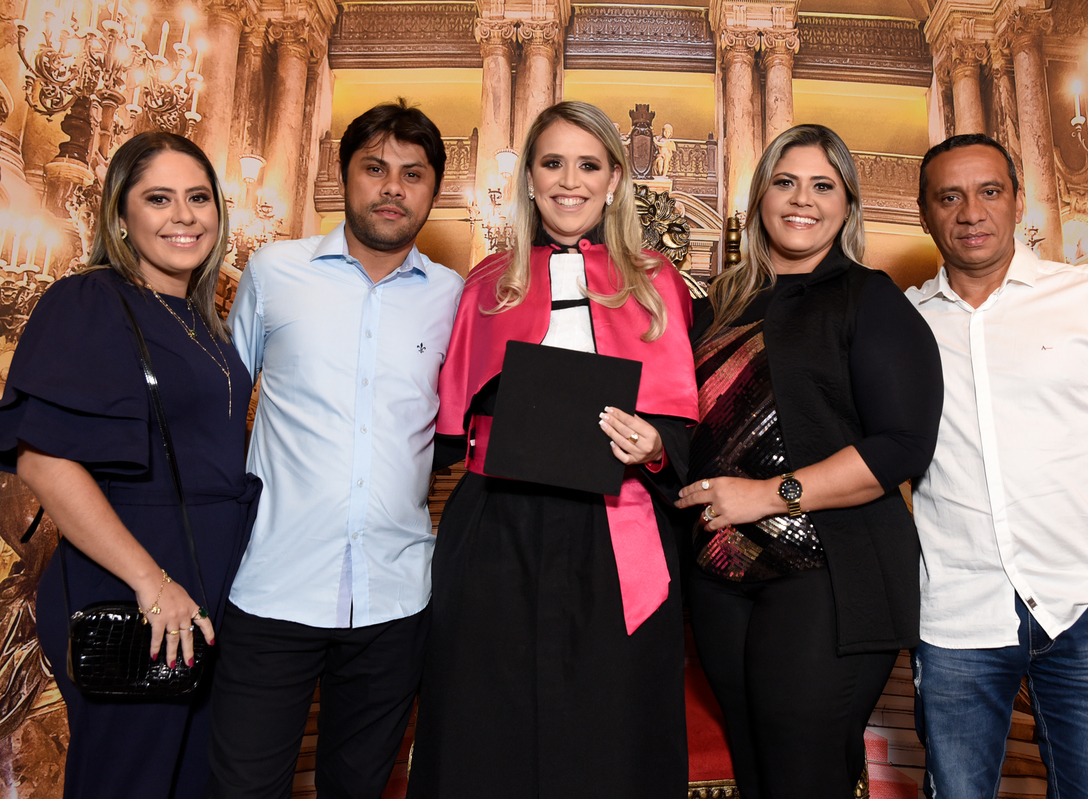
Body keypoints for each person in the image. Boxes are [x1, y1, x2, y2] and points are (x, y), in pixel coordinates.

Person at [406, 100, 699, 799]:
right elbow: (447, 430)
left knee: (608, 729)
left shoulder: (656, 282)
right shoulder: (486, 283)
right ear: (531, 179)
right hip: (498, 530)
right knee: (487, 724)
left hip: (614, 532)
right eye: (553, 163)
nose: (571, 181)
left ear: (614, 180)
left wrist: (655, 443)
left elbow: (683, 429)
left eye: (588, 165)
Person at [906, 133, 1088, 798]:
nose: (971, 212)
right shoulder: (903, 323)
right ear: (925, 213)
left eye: (989, 192)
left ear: (1018, 201)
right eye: (949, 197)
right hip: (957, 615)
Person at [674, 124, 944, 798]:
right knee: (756, 771)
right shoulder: (713, 309)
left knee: (804, 774)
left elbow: (902, 444)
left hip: (830, 575)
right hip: (719, 577)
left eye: (823, 185)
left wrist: (769, 495)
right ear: (760, 198)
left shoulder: (868, 298)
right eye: (785, 182)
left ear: (847, 204)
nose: (803, 199)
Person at [206, 99, 463, 798]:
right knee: (241, 788)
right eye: (374, 168)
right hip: (272, 586)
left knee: (360, 788)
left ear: (434, 191)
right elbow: (221, 407)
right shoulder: (274, 271)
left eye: (413, 174)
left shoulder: (453, 297)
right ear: (343, 175)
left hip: (394, 598)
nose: (392, 188)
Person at [0, 132, 260, 798]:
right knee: (131, 782)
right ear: (120, 215)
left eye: (199, 198)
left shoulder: (201, 320)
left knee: (190, 781)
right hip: (132, 581)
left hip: (203, 581)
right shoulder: (89, 300)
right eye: (159, 199)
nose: (185, 216)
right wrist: (151, 581)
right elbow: (43, 460)